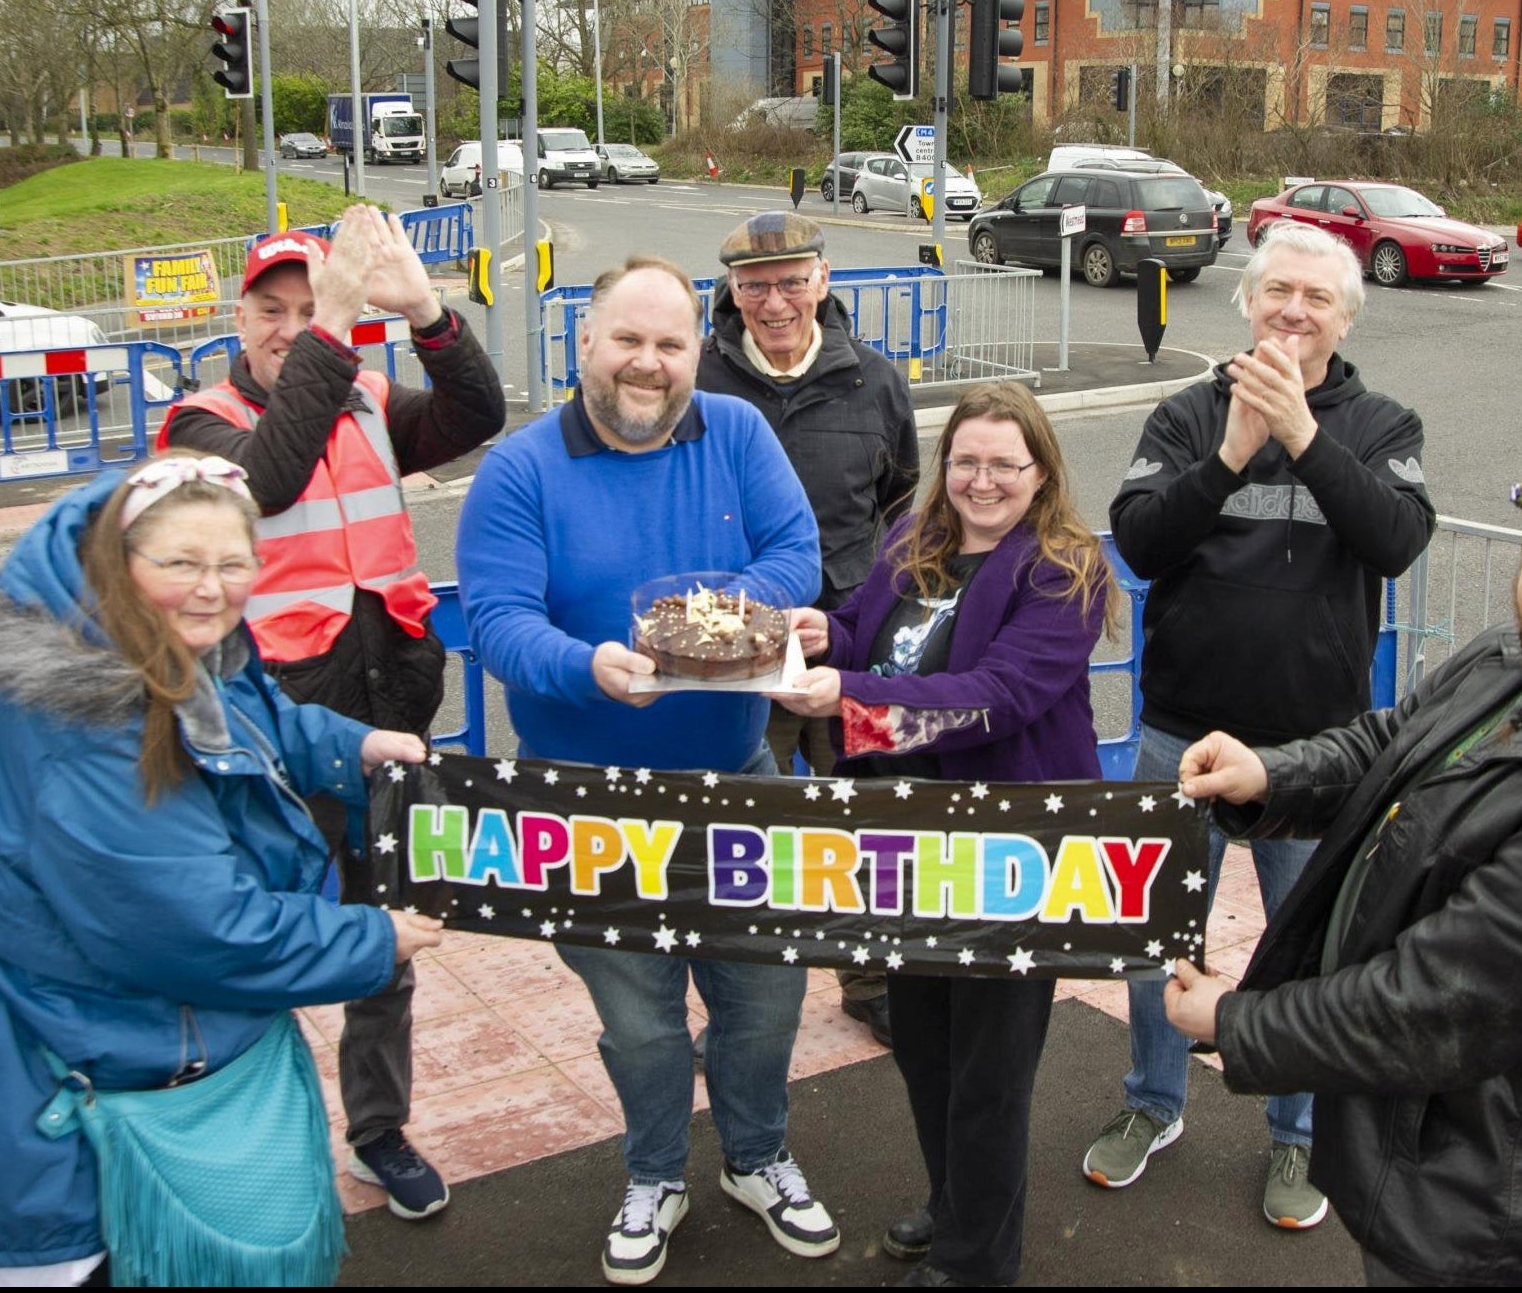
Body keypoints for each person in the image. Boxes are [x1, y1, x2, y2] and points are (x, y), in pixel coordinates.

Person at [0, 453, 444, 1286]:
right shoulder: (82, 724)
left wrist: (350, 744)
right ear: (118, 559)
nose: (211, 588)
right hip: (55, 1086)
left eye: (233, 563)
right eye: (180, 562)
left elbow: (251, 719)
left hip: (98, 1042)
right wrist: (373, 937)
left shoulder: (153, 639)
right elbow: (195, 925)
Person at [1164, 445, 1522, 1286]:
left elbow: (1425, 1009)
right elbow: (1396, 741)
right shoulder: (1519, 656)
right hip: (1408, 1124)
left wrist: (1236, 1023)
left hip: (1470, 1192)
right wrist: (1271, 773)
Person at [457, 256, 831, 1287]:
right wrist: (589, 667)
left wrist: (712, 623)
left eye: (671, 344)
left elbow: (794, 549)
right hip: (586, 799)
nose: (649, 363)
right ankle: (656, 1170)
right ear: (584, 342)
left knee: (765, 999)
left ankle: (758, 1156)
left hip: (739, 776)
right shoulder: (521, 468)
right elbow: (496, 623)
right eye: (628, 339)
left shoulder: (739, 431)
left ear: (696, 353)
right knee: (640, 1019)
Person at [159, 204, 504, 1218]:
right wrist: (340, 319)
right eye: (273, 309)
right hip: (264, 730)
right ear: (239, 314)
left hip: (385, 709)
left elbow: (474, 413)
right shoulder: (198, 424)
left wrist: (430, 312)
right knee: (248, 941)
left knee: (382, 940)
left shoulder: (361, 393)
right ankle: (236, 1134)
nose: (288, 326)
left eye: (307, 308)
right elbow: (262, 479)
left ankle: (378, 1129)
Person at [1091, 218, 1435, 1228]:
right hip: (1180, 729)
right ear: (1246, 304)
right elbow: (1144, 543)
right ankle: (1153, 1100)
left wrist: (1305, 438)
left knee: (1308, 948)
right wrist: (1233, 451)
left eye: (1315, 297)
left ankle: (1297, 1134)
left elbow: (1396, 537)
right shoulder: (1186, 416)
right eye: (1277, 291)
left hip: (1314, 750)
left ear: (1344, 316)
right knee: (1161, 933)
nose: (1292, 310)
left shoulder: (1383, 424)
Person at [776, 381, 1113, 1289]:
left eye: (1005, 463)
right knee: (926, 1047)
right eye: (966, 460)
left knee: (991, 1076)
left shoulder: (1063, 568)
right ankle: (954, 1202)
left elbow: (997, 697)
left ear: (1040, 471)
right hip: (907, 844)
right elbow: (871, 638)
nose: (982, 480)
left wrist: (850, 699)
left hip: (1010, 851)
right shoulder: (911, 538)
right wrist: (825, 634)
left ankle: (977, 1264)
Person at [699, 209, 919, 1048]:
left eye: (793, 280)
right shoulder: (701, 382)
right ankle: (739, 998)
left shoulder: (876, 380)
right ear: (732, 291)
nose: (775, 301)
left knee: (858, 812)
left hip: (846, 637)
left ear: (824, 280)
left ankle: (868, 979)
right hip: (733, 639)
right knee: (743, 820)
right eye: (755, 285)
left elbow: (902, 506)